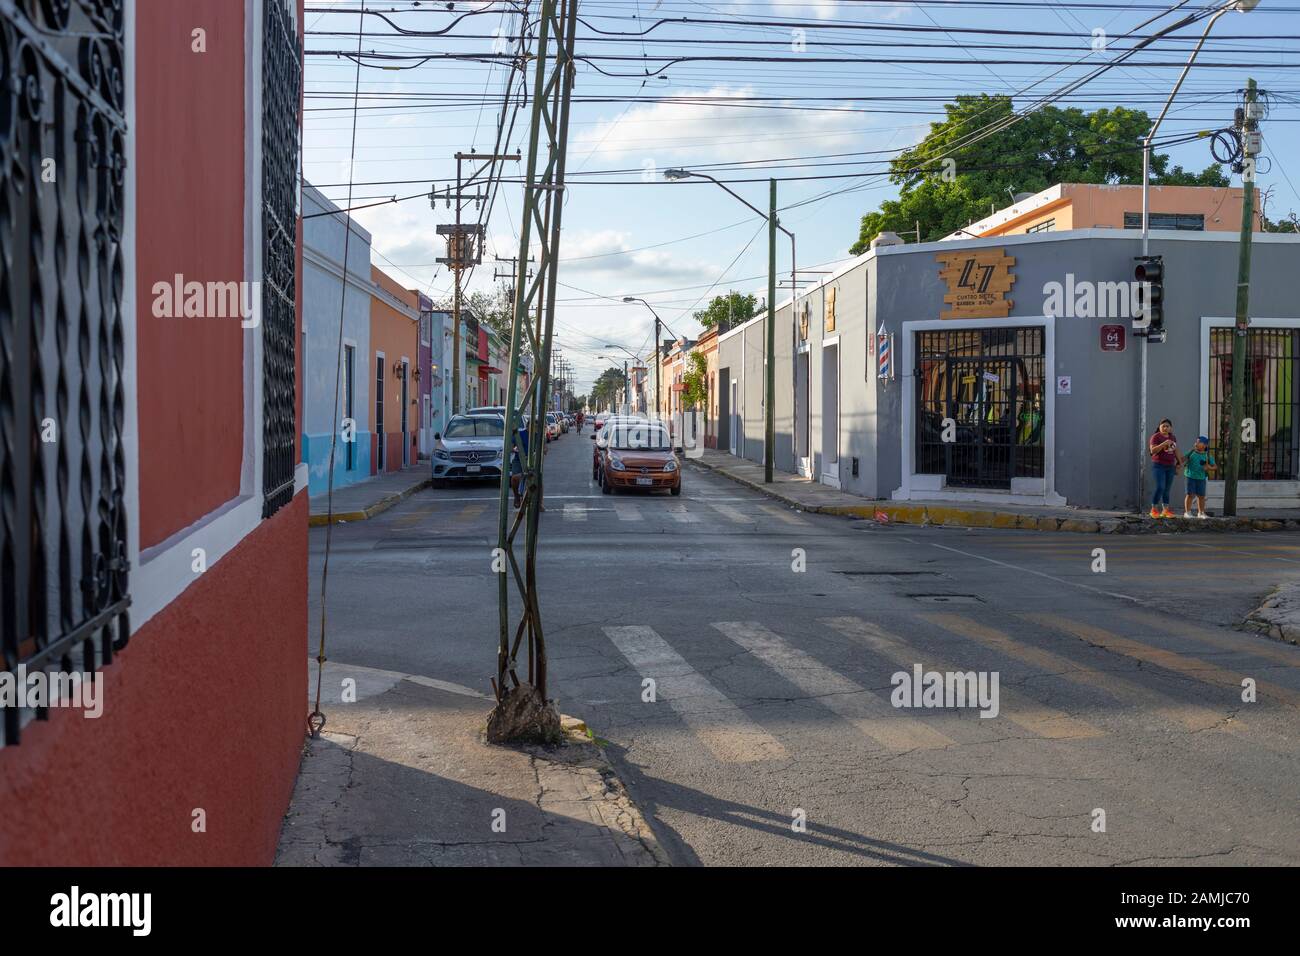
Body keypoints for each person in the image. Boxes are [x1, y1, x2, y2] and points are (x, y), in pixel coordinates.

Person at [1148, 417, 1179, 519]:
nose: (1165, 428)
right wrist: (1163, 444)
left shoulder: (1173, 437)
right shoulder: (1155, 437)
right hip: (1159, 466)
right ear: (1159, 427)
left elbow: (1175, 450)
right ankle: (1154, 509)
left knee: (1167, 489)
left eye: (1167, 426)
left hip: (1170, 466)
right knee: (1160, 487)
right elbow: (1153, 451)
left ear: (1171, 428)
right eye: (1163, 426)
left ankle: (1165, 510)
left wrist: (1179, 462)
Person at [1182, 435, 1216, 519]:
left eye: (1199, 442)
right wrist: (1190, 451)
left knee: (1201, 496)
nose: (1196, 443)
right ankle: (1187, 512)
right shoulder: (1192, 453)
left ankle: (1201, 513)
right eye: (1196, 441)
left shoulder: (1207, 456)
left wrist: (1209, 468)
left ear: (1205, 445)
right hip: (1190, 477)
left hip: (1201, 478)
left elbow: (1215, 467)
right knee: (1190, 495)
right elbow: (1182, 459)